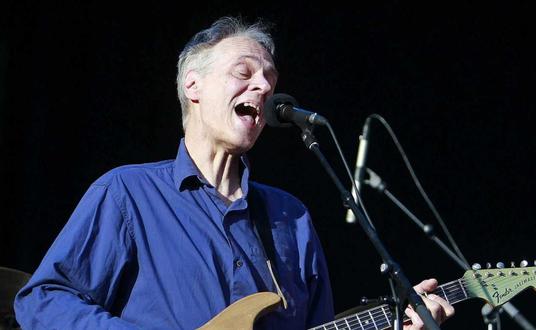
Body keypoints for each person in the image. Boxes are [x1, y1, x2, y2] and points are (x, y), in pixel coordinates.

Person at [14, 16, 454, 329]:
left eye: (270, 79)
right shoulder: (128, 194)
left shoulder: (292, 218)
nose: (263, 87)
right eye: (243, 73)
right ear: (194, 86)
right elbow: (43, 301)